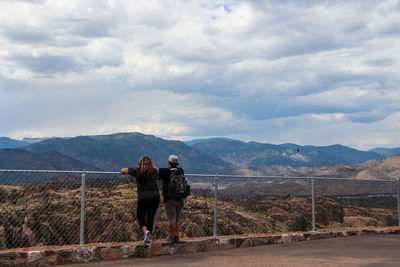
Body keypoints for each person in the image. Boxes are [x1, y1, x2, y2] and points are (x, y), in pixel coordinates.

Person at [121, 156, 160, 247]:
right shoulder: (154, 171)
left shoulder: (137, 171)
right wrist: (152, 166)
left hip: (143, 197)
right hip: (155, 197)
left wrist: (136, 168)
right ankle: (148, 237)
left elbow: (123, 170)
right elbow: (157, 169)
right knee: (150, 217)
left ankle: (145, 231)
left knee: (140, 215)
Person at [158, 155, 185, 243]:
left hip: (169, 198)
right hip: (180, 197)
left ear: (169, 162)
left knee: (171, 218)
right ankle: (177, 236)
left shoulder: (165, 171)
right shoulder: (180, 171)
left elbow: (155, 173)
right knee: (177, 218)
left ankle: (172, 236)